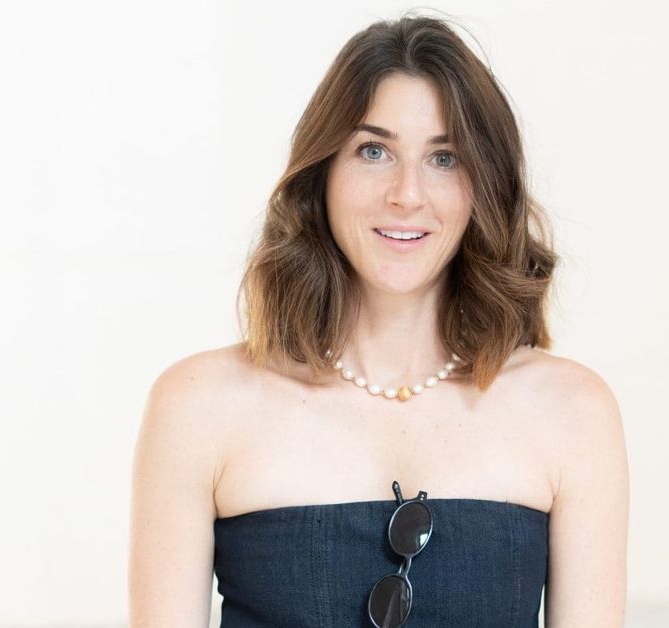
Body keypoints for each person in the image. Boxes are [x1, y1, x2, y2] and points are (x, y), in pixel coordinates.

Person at [128, 13, 628, 628]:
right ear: (323, 173)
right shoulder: (197, 406)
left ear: (484, 187)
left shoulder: (573, 412)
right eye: (374, 151)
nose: (406, 193)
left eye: (443, 157)